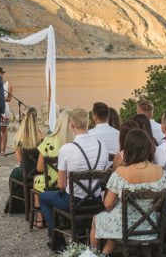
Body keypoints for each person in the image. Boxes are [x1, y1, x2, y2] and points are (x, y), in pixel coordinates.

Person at [90, 129, 166, 254]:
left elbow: (108, 204)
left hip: (124, 228)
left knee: (97, 218)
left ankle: (93, 254)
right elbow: (159, 204)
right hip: (151, 228)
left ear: (128, 149)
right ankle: (102, 254)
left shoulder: (121, 172)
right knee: (115, 223)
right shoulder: (160, 171)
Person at [40, 108, 108, 252]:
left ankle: (58, 241)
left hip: (74, 202)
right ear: (88, 123)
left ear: (71, 125)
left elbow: (61, 184)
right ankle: (83, 230)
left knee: (43, 197)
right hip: (96, 202)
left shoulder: (66, 149)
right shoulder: (102, 146)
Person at [32, 108, 73, 228]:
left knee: (37, 179)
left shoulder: (49, 140)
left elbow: (39, 168)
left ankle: (40, 218)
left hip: (51, 183)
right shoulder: (75, 140)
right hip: (72, 184)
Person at [6, 107, 44, 214]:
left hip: (26, 172)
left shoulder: (20, 136)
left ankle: (19, 204)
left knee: (14, 173)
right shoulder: (42, 136)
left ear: (24, 117)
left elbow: (20, 160)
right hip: (40, 172)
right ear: (36, 118)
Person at [0, 66, 13, 155]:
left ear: (2, 74)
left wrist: (1, 99)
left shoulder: (8, 84)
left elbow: (9, 99)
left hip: (5, 109)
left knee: (3, 129)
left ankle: (3, 149)